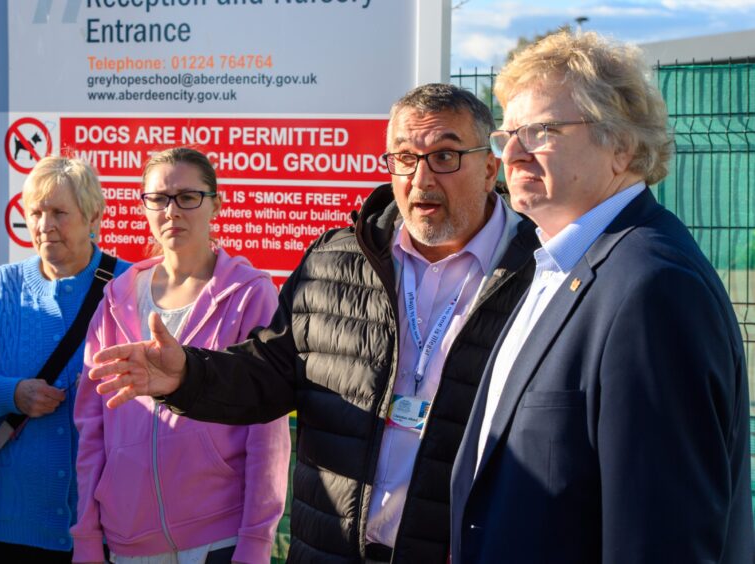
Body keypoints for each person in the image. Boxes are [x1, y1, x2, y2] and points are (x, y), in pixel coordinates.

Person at [87, 83, 540, 563]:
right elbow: (272, 374)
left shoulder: (539, 274)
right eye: (404, 157)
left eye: (445, 156)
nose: (420, 178)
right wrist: (187, 375)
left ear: (490, 168)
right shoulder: (335, 259)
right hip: (330, 550)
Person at [449, 31, 754, 563]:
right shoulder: (559, 263)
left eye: (541, 130)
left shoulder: (651, 288)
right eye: (509, 134)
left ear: (622, 147)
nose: (513, 153)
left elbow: (660, 539)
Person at [71, 148, 289, 564]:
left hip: (217, 536)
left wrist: (256, 542)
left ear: (216, 204)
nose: (172, 211)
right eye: (159, 198)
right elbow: (92, 427)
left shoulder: (249, 294)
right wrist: (86, 536)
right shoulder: (116, 299)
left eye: (188, 197)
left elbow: (268, 432)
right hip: (127, 539)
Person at [0, 156, 130, 563]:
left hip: (109, 527)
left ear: (93, 214)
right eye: (36, 213)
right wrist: (12, 394)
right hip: (13, 526)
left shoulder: (129, 287)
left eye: (59, 212)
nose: (44, 225)